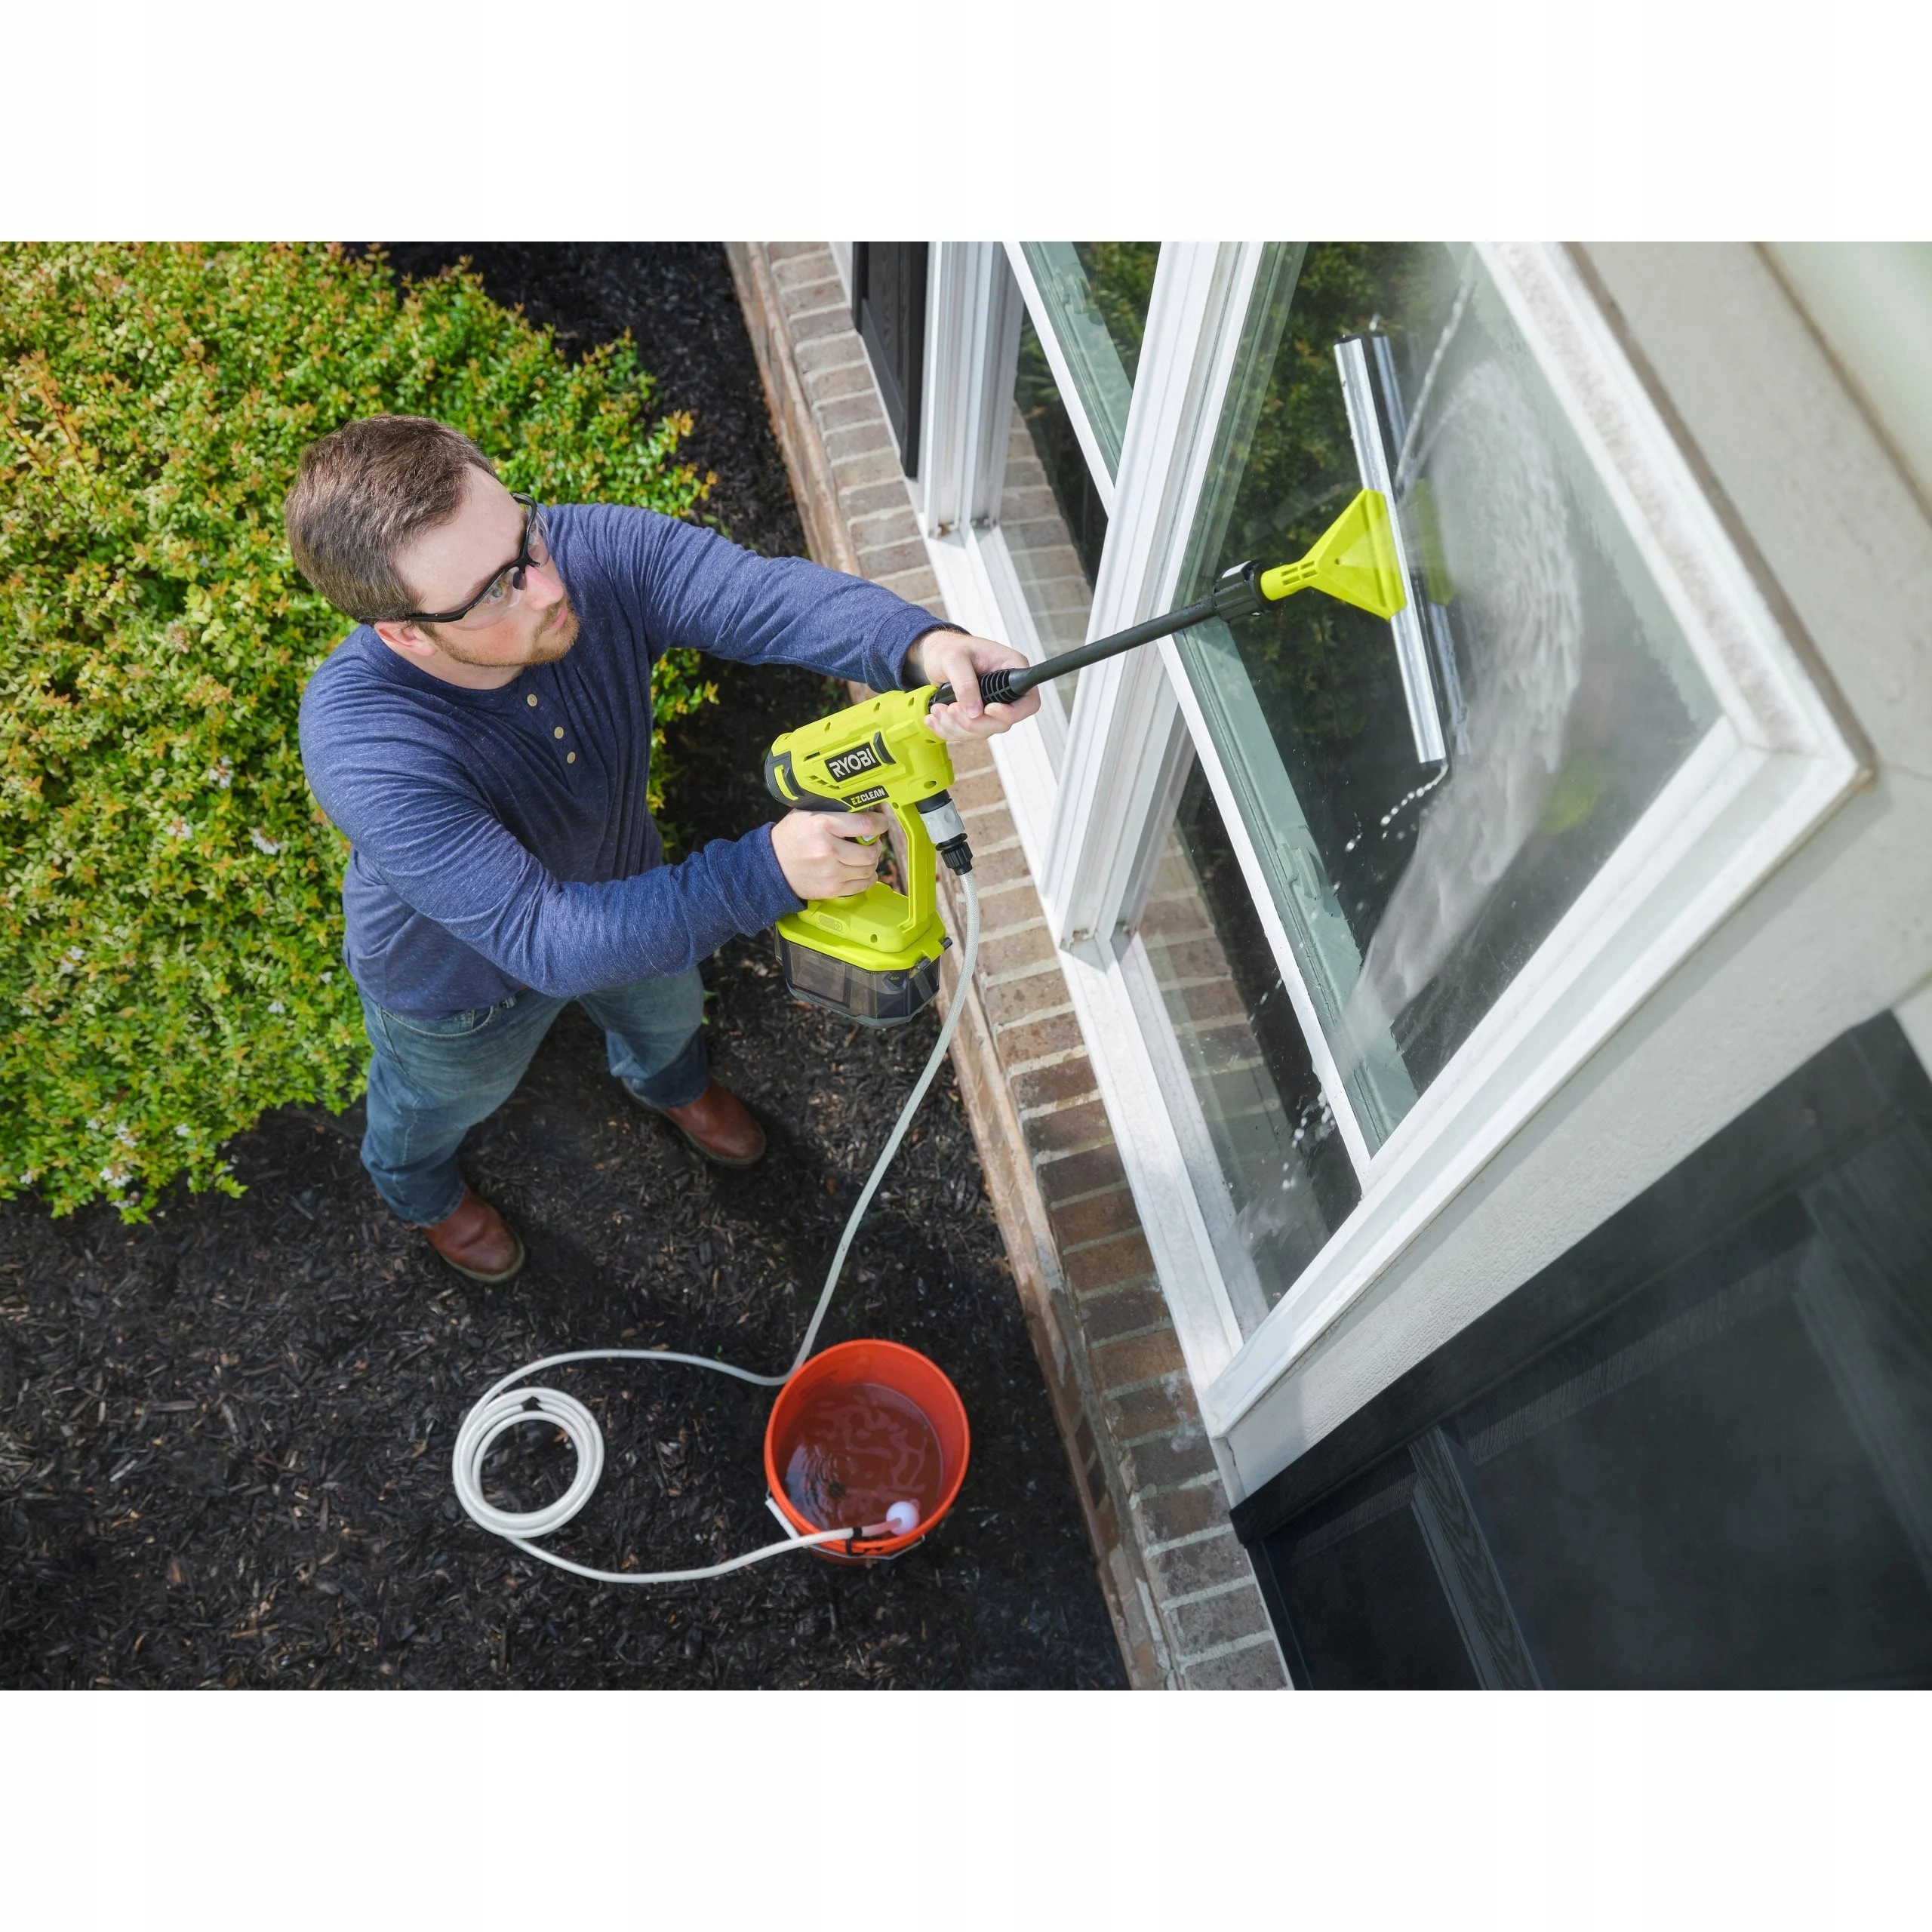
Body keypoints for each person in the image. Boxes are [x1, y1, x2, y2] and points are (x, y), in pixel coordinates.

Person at [291, 414, 1035, 1284]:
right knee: (437, 1103)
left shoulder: (589, 551)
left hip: (632, 892)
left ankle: (671, 1085)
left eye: (525, 535)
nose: (547, 586)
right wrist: (765, 871)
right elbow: (545, 939)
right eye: (494, 591)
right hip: (459, 989)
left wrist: (920, 646)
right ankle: (420, 1191)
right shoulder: (363, 742)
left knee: (668, 1015)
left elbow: (760, 595)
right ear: (405, 632)